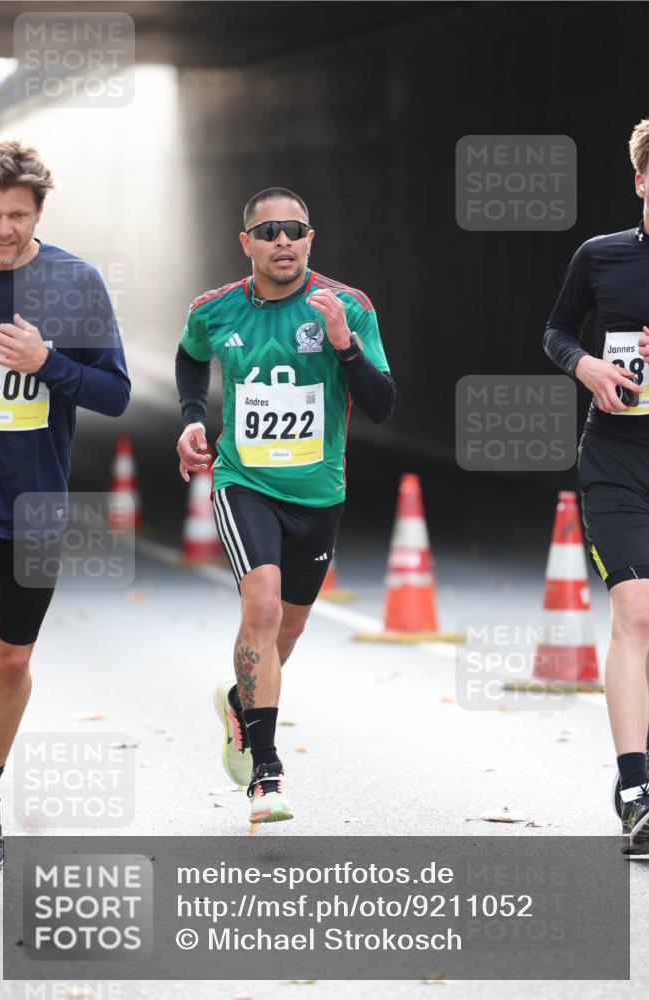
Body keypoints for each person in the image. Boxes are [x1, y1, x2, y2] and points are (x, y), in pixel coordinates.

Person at [175, 187, 395, 824]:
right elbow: (191, 358)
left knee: (288, 630)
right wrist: (193, 418)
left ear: (309, 239)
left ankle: (238, 705)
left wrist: (342, 343)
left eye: (294, 231)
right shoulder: (214, 310)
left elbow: (381, 405)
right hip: (245, 483)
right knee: (263, 608)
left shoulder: (346, 305)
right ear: (246, 243)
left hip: (319, 492)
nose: (282, 242)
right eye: (268, 232)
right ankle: (266, 778)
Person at [0, 141, 131, 870]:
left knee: (10, 660)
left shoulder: (73, 283)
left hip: (35, 500)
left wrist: (46, 364)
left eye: (15, 214)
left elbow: (114, 394)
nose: (1, 229)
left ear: (39, 212)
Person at [544, 118, 649, 851]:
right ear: (642, 180)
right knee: (636, 615)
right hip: (616, 457)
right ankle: (636, 787)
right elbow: (555, 331)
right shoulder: (601, 256)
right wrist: (583, 365)